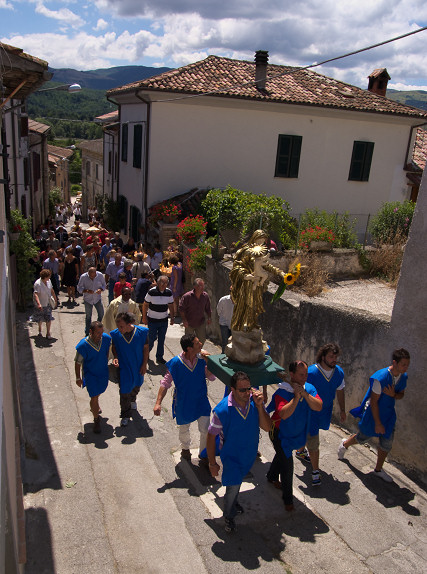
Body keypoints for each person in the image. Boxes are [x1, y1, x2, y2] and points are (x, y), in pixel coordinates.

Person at [206, 371, 271, 533]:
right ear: (232, 389)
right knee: (233, 486)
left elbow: (267, 427)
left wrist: (259, 406)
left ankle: (233, 502)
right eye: (242, 390)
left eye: (248, 388)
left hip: (248, 455)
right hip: (232, 456)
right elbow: (210, 436)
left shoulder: (255, 403)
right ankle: (229, 515)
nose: (246, 393)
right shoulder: (222, 410)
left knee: (237, 483)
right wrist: (212, 463)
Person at [338, 348, 410, 483]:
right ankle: (345, 444)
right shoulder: (380, 378)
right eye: (403, 364)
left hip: (388, 414)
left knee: (386, 442)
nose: (406, 367)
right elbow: (374, 402)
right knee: (362, 438)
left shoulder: (403, 376)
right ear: (395, 363)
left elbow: (401, 394)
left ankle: (378, 469)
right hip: (373, 413)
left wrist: (393, 394)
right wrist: (377, 423)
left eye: (407, 364)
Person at [266, 362, 322, 511]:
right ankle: (288, 500)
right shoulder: (282, 392)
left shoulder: (309, 389)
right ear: (292, 374)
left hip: (296, 433)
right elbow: (283, 414)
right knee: (287, 466)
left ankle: (271, 476)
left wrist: (304, 394)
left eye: (306, 375)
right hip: (280, 434)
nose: (304, 378)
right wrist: (296, 398)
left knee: (281, 456)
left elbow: (318, 406)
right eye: (301, 375)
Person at [154, 334, 214, 461]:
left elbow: (211, 377)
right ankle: (185, 449)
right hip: (184, 401)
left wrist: (209, 362)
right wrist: (158, 403)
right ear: (189, 349)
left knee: (205, 429)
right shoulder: (176, 363)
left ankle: (203, 454)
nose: (201, 345)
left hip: (201, 400)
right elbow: (165, 383)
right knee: (184, 428)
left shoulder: (202, 359)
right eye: (197, 343)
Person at [297, 343, 346, 487]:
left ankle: (300, 451)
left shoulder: (339, 373)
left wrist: (342, 409)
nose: (334, 359)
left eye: (336, 357)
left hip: (325, 410)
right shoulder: (311, 373)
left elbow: (340, 390)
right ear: (323, 357)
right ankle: (315, 471)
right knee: (313, 439)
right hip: (309, 411)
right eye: (331, 356)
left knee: (311, 433)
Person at [229, 229, 285, 332]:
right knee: (243, 305)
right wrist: (246, 275)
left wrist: (279, 272)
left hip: (257, 284)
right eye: (259, 240)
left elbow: (266, 265)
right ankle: (239, 326)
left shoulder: (260, 251)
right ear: (254, 238)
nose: (261, 243)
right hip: (246, 284)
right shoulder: (246, 251)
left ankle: (252, 324)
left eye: (263, 240)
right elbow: (237, 265)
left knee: (254, 306)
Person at [110, 312, 149, 426]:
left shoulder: (142, 333)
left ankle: (133, 399)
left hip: (137, 366)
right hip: (124, 368)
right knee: (124, 391)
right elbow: (114, 347)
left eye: (121, 326)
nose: (119, 329)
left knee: (137, 385)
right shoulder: (116, 334)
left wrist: (144, 364)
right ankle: (125, 414)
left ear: (129, 324)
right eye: (118, 326)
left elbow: (145, 349)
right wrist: (116, 357)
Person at [75, 321, 111, 434]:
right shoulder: (83, 345)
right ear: (91, 332)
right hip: (90, 374)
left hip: (103, 373)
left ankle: (95, 405)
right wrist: (78, 377)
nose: (100, 335)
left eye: (101, 332)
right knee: (94, 396)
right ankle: (96, 420)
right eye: (98, 333)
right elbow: (77, 362)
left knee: (99, 392)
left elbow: (108, 350)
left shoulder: (105, 338)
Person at [143, 275, 174, 364]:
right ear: (158, 282)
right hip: (152, 320)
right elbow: (145, 304)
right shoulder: (151, 292)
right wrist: (144, 317)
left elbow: (171, 305)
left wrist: (172, 317)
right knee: (151, 339)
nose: (164, 284)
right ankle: (145, 354)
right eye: (162, 282)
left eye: (166, 283)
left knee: (161, 339)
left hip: (163, 320)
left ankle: (159, 357)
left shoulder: (169, 292)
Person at [179, 278, 212, 345]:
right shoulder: (187, 296)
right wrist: (184, 320)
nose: (202, 287)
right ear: (195, 286)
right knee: (189, 341)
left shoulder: (205, 296)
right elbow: (181, 309)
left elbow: (208, 308)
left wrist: (209, 317)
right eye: (200, 286)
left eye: (203, 285)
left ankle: (197, 353)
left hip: (200, 322)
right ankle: (189, 354)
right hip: (189, 323)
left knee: (202, 340)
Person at [77, 267, 106, 336]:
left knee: (101, 314)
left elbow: (104, 285)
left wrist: (100, 289)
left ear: (96, 273)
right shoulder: (83, 277)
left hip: (97, 298)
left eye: (93, 276)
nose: (92, 277)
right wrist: (86, 291)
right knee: (88, 316)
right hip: (88, 299)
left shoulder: (100, 275)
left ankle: (97, 328)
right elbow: (79, 288)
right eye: (91, 276)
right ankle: (87, 332)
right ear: (88, 273)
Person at [32, 269, 58, 339]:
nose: (49, 278)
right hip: (41, 304)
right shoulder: (38, 283)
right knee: (40, 319)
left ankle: (48, 333)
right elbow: (36, 294)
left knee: (48, 318)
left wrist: (55, 299)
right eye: (49, 276)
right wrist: (39, 304)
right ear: (45, 277)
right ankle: (40, 330)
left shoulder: (49, 281)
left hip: (48, 303)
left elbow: (52, 290)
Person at [216, 288, 234, 354]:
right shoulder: (223, 300)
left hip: (234, 325)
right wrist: (224, 318)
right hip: (224, 324)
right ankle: (224, 355)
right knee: (225, 343)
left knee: (233, 343)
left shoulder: (239, 301)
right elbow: (219, 311)